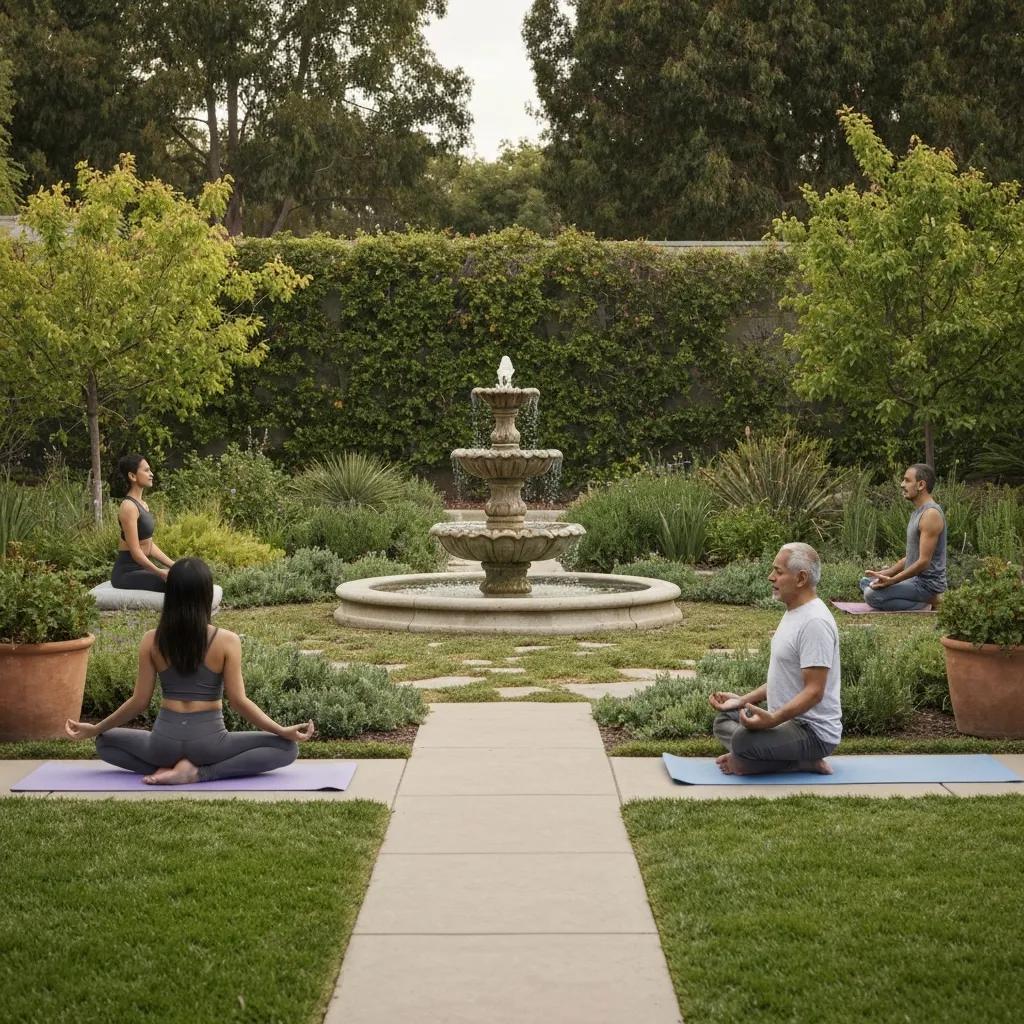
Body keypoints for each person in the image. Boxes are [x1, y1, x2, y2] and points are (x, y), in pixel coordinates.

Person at [66, 557, 315, 784]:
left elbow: (139, 702)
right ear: (206, 594)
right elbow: (239, 702)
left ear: (171, 593)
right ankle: (200, 773)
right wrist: (280, 730)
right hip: (210, 743)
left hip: (163, 743)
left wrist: (97, 729)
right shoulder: (227, 641)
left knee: (105, 743)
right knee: (287, 749)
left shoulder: (151, 640)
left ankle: (167, 767)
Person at [709, 543, 842, 775]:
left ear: (801, 578)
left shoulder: (815, 623)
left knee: (742, 740)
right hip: (785, 721)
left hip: (812, 732)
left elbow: (814, 691)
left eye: (778, 572)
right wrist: (741, 700)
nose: (771, 577)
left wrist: (772, 720)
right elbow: (785, 679)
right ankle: (767, 759)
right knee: (725, 718)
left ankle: (794, 761)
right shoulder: (794, 612)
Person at [860, 463, 947, 611]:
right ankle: (917, 600)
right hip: (914, 582)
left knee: (871, 595)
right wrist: (886, 573)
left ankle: (929, 603)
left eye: (907, 480)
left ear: (921, 485)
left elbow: (924, 562)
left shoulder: (931, 515)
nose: (902, 484)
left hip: (927, 585)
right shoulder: (918, 512)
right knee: (865, 582)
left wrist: (892, 581)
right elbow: (912, 556)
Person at [111, 454, 175, 592]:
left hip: (141, 569)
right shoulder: (128, 507)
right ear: (132, 476)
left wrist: (173, 565)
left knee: (183, 576)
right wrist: (159, 572)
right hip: (127, 573)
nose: (151, 474)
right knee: (178, 584)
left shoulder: (143, 505)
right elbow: (135, 552)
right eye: (146, 470)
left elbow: (149, 545)